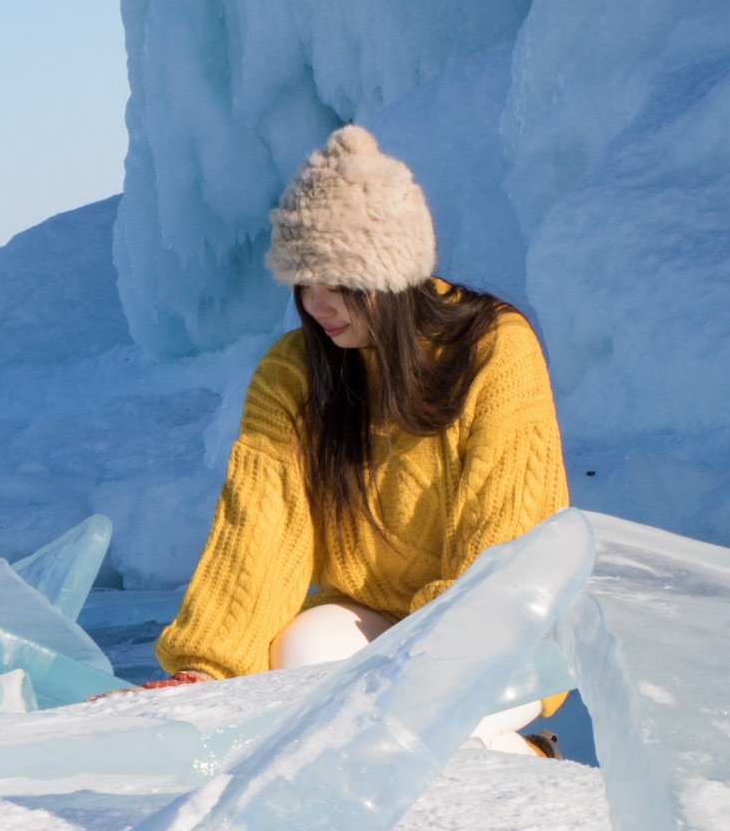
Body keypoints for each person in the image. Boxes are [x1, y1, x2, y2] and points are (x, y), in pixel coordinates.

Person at [142, 123, 571, 755]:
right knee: (300, 659)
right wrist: (205, 671)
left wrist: (418, 658)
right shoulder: (293, 373)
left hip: (498, 627)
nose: (317, 303)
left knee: (405, 724)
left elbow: (505, 539)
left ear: (391, 276)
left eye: (339, 281)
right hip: (376, 620)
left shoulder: (492, 348)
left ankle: (521, 773)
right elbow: (257, 527)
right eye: (303, 281)